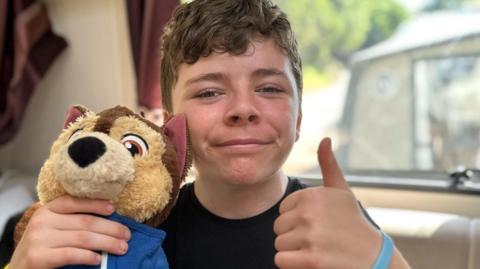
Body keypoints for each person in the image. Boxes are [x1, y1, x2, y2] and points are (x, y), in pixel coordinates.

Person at [6, 0, 411, 268]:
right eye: (210, 92)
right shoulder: (131, 230)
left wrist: (384, 261)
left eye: (269, 88)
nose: (242, 110)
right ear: (170, 129)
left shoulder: (335, 222)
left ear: (299, 115)